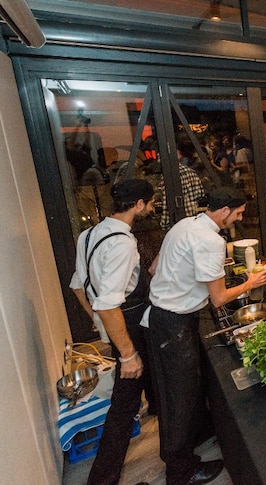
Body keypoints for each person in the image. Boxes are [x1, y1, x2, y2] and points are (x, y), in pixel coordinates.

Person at [146, 186, 266, 485]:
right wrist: (251, 282)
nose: (238, 219)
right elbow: (219, 298)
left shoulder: (184, 224)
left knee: (183, 389)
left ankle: (196, 436)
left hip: (161, 316)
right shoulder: (211, 240)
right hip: (174, 323)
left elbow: (153, 268)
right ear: (224, 211)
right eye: (238, 213)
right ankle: (180, 471)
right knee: (178, 398)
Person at [69, 179, 156, 485]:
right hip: (129, 327)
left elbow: (79, 285)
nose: (151, 207)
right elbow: (109, 304)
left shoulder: (88, 235)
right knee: (124, 406)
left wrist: (99, 323)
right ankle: (102, 480)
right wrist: (128, 353)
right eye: (150, 203)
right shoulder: (122, 243)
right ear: (139, 205)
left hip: (117, 325)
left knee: (149, 389)